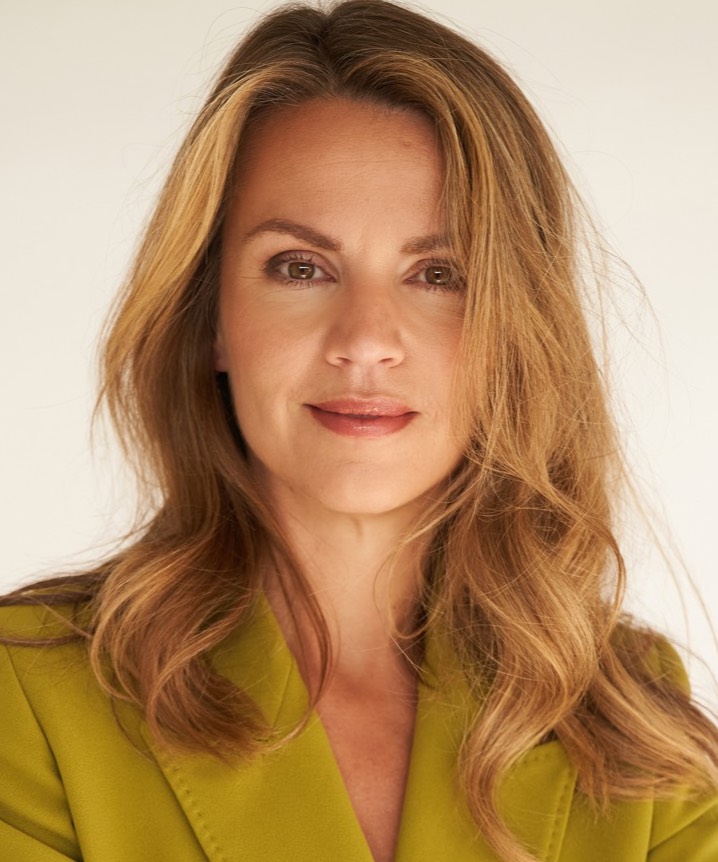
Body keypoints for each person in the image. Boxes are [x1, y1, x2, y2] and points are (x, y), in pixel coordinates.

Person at [1, 1, 716, 860]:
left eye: (439, 274)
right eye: (300, 267)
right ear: (211, 315)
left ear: (516, 329)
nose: (367, 340)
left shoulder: (635, 725)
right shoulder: (27, 697)